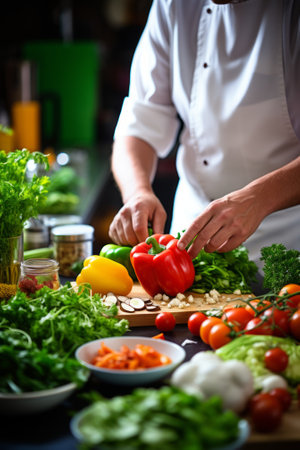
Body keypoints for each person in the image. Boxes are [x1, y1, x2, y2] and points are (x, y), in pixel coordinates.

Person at [108, 0, 300, 276]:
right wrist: (137, 192)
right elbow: (138, 123)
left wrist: (259, 198)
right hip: (190, 242)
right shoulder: (172, 5)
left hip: (289, 240)